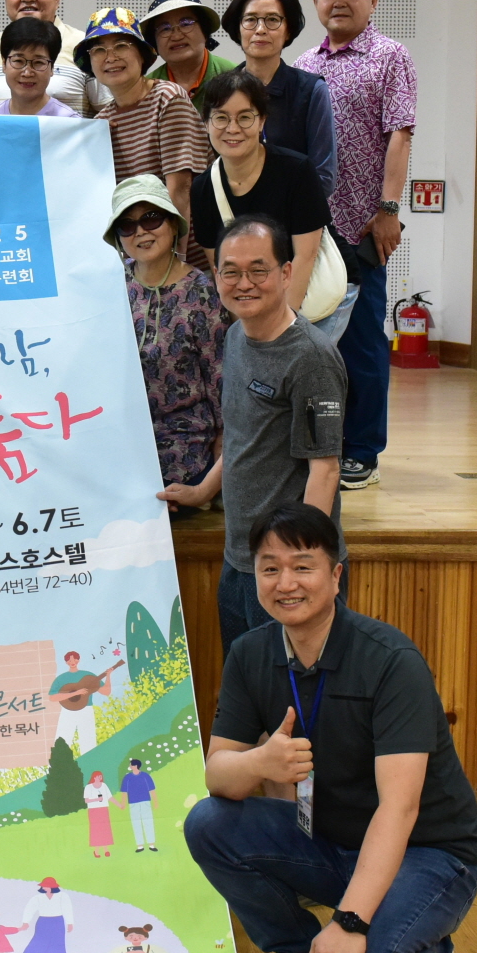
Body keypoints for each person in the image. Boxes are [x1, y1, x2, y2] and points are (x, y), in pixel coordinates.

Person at [184, 501, 477, 953]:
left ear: (336, 575)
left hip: (428, 852)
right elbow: (218, 775)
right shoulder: (251, 654)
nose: (286, 583)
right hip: (329, 840)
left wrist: (348, 922)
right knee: (209, 822)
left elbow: (400, 807)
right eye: (270, 568)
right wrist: (260, 761)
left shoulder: (390, 660)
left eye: (303, 566)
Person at [162, 214, 345, 649]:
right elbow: (244, 437)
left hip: (288, 573)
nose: (244, 284)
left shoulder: (310, 358)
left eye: (258, 270)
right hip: (242, 560)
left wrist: (298, 569)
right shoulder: (236, 338)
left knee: (297, 689)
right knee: (247, 680)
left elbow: (325, 471)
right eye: (231, 272)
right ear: (217, 276)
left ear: (286, 273)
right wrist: (201, 492)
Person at [294, 0, 416, 493]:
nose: (339, 0)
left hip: (363, 228)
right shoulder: (304, 64)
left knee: (363, 342)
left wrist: (389, 210)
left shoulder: (391, 57)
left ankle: (362, 450)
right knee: (311, 341)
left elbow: (400, 135)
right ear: (316, 1)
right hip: (310, 228)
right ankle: (317, 445)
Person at [188, 66, 348, 340]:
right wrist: (247, 333)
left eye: (245, 117)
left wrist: (281, 329)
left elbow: (305, 256)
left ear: (262, 121)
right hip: (258, 301)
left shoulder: (296, 170)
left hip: (313, 294)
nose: (232, 129)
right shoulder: (202, 189)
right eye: (221, 118)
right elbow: (223, 272)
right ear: (206, 123)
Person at [105, 177, 224, 506]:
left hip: (184, 438)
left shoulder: (200, 290)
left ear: (172, 224)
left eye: (151, 218)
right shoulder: (111, 283)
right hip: (120, 433)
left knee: (151, 502)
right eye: (127, 225)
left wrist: (223, 445)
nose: (140, 232)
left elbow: (220, 375)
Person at [219, 0, 337, 201]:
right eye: (250, 20)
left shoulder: (312, 91)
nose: (260, 30)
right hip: (231, 215)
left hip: (295, 218)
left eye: (272, 20)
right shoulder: (220, 91)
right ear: (238, 28)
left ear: (288, 30)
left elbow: (323, 177)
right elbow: (212, 168)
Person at [81, 7, 203, 214]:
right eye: (99, 50)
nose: (110, 57)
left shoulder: (167, 98)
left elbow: (181, 189)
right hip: (132, 231)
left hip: (177, 230)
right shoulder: (102, 121)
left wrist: (174, 237)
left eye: (121, 46)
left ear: (142, 55)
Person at [142, 0, 236, 114]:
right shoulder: (146, 90)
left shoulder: (234, 76)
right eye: (165, 28)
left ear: (204, 31)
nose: (176, 36)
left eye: (186, 24)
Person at [0, 18, 79, 118]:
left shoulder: (69, 121)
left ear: (52, 67)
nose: (27, 73)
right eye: (18, 61)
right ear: (3, 64)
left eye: (38, 62)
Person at [18, 878, 74, 953]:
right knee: (41, 942)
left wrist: (70, 923)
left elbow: (67, 909)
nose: (43, 887)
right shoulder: (38, 898)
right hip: (43, 922)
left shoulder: (62, 896)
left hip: (57, 922)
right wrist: (26, 922)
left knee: (56, 941)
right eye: (43, 886)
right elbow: (29, 909)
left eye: (46, 886)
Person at [121, 758, 159, 852]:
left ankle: (151, 844)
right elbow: (124, 792)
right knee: (136, 823)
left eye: (131, 765)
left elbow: (152, 789)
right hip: (133, 803)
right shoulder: (127, 778)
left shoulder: (145, 776)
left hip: (145, 802)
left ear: (135, 766)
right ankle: (140, 845)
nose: (130, 766)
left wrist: (155, 801)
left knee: (148, 822)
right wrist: (123, 803)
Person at [84, 770, 115, 858]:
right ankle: (96, 851)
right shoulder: (88, 787)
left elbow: (110, 797)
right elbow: (86, 800)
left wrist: (119, 805)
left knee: (105, 829)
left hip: (104, 809)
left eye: (101, 776)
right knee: (96, 830)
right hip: (93, 810)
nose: (100, 778)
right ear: (94, 777)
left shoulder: (104, 786)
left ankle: (106, 850)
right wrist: (97, 799)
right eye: (98, 776)